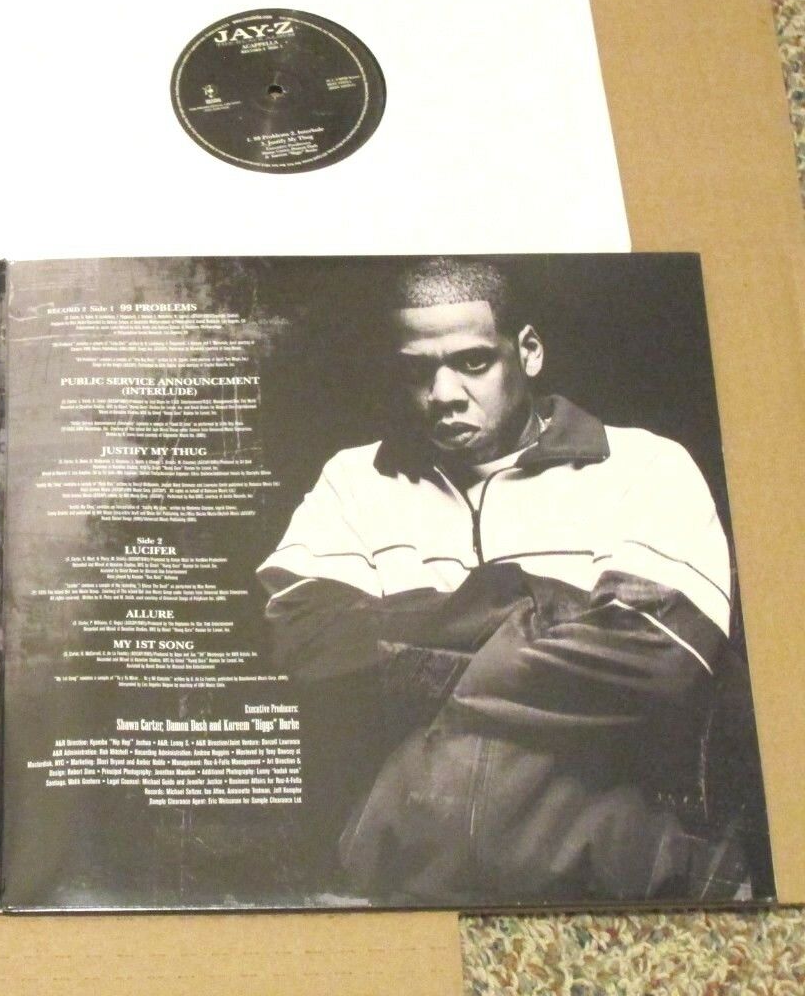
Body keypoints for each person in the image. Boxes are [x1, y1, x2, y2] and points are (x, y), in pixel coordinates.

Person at [257, 257, 750, 903]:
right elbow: (306, 639)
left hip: (618, 885)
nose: (443, 393)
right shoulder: (355, 478)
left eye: (472, 362)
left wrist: (419, 657)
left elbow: (662, 654)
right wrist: (510, 602)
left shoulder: (642, 465)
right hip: (392, 885)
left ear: (529, 351)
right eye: (418, 370)